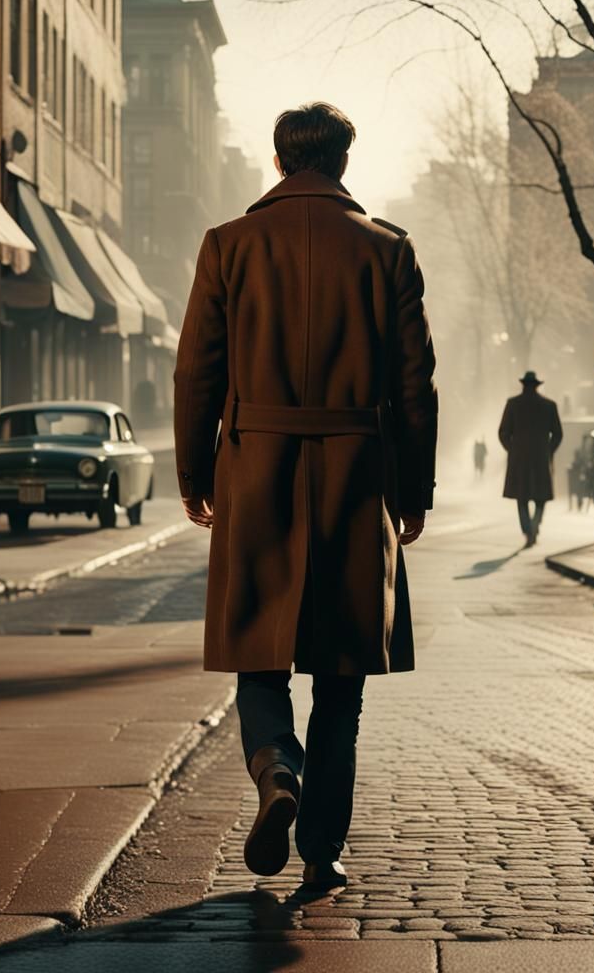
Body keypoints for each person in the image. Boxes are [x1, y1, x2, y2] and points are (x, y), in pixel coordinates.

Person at [174, 102, 437, 892]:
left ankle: (275, 768)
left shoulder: (229, 244)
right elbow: (415, 384)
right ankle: (322, 846)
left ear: (281, 159)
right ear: (344, 161)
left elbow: (196, 375)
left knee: (259, 659)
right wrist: (414, 489)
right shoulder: (387, 249)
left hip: (256, 469)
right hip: (357, 474)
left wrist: (196, 477)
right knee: (342, 676)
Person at [498, 371, 562, 547]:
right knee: (541, 497)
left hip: (519, 458)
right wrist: (549, 450)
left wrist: (512, 449)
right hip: (541, 457)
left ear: (523, 385)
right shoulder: (549, 405)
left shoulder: (513, 404)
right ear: (536, 386)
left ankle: (528, 530)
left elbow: (503, 432)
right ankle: (534, 525)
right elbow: (557, 434)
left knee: (522, 497)